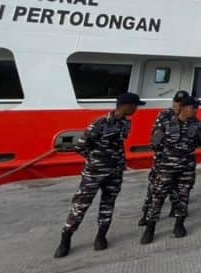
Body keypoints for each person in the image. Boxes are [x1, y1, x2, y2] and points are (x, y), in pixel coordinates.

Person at [54, 93, 143, 258]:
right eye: (134, 106)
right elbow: (81, 146)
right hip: (94, 173)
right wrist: (96, 160)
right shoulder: (100, 124)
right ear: (125, 105)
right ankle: (65, 239)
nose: (136, 109)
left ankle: (101, 236)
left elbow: (118, 145)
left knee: (108, 204)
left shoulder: (126, 123)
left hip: (115, 172)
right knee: (81, 206)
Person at [140, 95, 201, 244]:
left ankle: (179, 225)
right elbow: (155, 144)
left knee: (182, 197)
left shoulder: (198, 125)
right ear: (183, 107)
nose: (196, 110)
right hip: (166, 168)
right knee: (157, 198)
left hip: (186, 168)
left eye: (197, 107)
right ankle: (150, 229)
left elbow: (200, 140)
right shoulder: (166, 124)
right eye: (193, 107)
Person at [138, 91, 187, 226]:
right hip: (162, 161)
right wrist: (161, 154)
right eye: (177, 102)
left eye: (182, 103)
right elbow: (155, 138)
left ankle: (175, 210)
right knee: (154, 189)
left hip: (180, 162)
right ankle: (146, 214)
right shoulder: (165, 115)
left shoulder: (189, 117)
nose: (178, 105)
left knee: (178, 189)